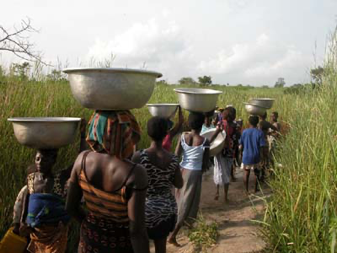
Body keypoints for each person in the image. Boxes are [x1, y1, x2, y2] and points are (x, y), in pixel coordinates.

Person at [66, 110, 149, 253]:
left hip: (89, 242)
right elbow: (136, 231)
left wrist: (92, 224)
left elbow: (70, 207)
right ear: (126, 133)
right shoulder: (135, 173)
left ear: (96, 130)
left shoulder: (82, 160)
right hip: (120, 245)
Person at [12, 119, 87, 253]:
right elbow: (26, 199)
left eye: (45, 160)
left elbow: (80, 160)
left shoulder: (59, 178)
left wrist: (82, 135)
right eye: (37, 159)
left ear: (53, 161)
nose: (40, 163)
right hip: (35, 233)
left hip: (55, 234)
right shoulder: (32, 179)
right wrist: (21, 222)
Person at [132, 116, 183, 253]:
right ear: (166, 133)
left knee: (142, 247)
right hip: (165, 211)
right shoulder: (173, 159)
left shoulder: (139, 156)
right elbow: (179, 183)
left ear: (148, 133)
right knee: (161, 248)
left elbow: (131, 180)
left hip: (144, 210)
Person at [168, 112, 210, 247]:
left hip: (181, 170)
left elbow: (176, 154)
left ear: (189, 123)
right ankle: (173, 235)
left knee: (179, 200)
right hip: (194, 173)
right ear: (202, 123)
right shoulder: (204, 141)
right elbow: (205, 163)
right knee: (187, 203)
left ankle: (185, 228)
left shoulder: (183, 136)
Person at [210, 107, 237, 202]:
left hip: (220, 150)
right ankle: (225, 197)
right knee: (227, 173)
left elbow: (215, 134)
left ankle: (217, 191)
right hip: (230, 151)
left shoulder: (221, 124)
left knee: (218, 169)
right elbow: (236, 138)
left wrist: (208, 142)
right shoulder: (235, 125)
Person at [239, 115, 266, 193]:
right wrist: (263, 157)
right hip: (256, 156)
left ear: (249, 122)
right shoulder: (259, 132)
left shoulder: (244, 132)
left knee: (246, 173)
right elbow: (262, 146)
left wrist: (241, 154)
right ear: (257, 123)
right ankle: (255, 189)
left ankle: (246, 190)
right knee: (256, 173)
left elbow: (241, 144)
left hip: (246, 155)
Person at [258, 112, 278, 179]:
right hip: (265, 142)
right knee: (265, 159)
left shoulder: (260, 123)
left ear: (259, 116)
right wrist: (268, 132)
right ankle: (263, 175)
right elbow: (275, 128)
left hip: (259, 143)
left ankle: (260, 175)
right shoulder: (266, 123)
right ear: (266, 116)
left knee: (261, 159)